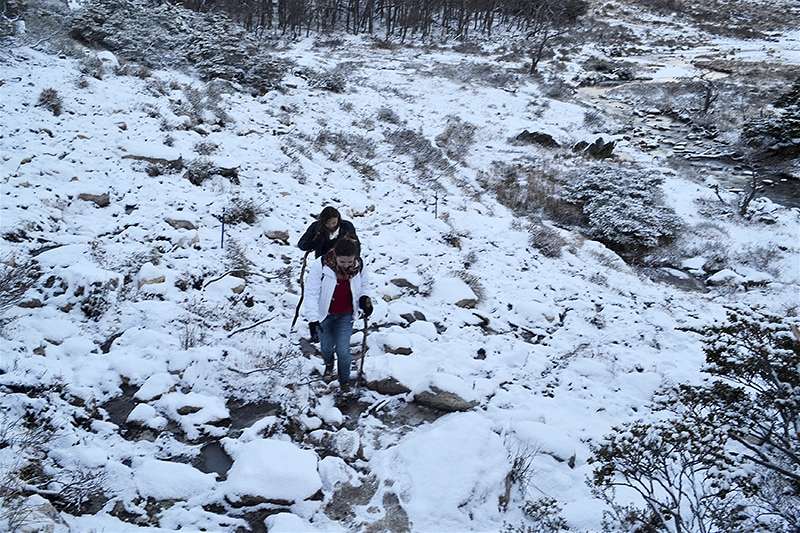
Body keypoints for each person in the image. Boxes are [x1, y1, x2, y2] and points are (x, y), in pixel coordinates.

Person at [305, 238, 373, 390]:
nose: (347, 265)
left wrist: (364, 299)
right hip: (324, 315)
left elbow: (365, 285)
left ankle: (344, 383)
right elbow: (311, 293)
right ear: (335, 255)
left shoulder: (359, 265)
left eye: (350, 262)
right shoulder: (321, 265)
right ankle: (329, 364)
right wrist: (312, 319)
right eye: (343, 262)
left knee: (343, 351)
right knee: (326, 347)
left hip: (346, 315)